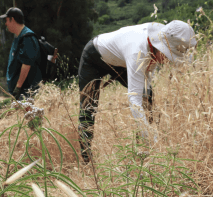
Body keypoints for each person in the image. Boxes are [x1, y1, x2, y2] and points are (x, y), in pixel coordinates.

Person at [78, 20, 197, 163]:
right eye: (167, 56)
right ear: (160, 47)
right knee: (88, 108)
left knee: (148, 97)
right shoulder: (138, 51)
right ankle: (87, 161)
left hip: (122, 60)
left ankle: (143, 151)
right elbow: (134, 100)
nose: (167, 61)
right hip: (94, 56)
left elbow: (145, 85)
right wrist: (153, 140)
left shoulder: (161, 39)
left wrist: (149, 130)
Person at [0, 7, 42, 100]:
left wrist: (18, 87)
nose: (6, 24)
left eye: (7, 20)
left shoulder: (28, 38)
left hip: (26, 91)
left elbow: (26, 64)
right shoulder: (18, 37)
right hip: (20, 91)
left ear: (13, 20)